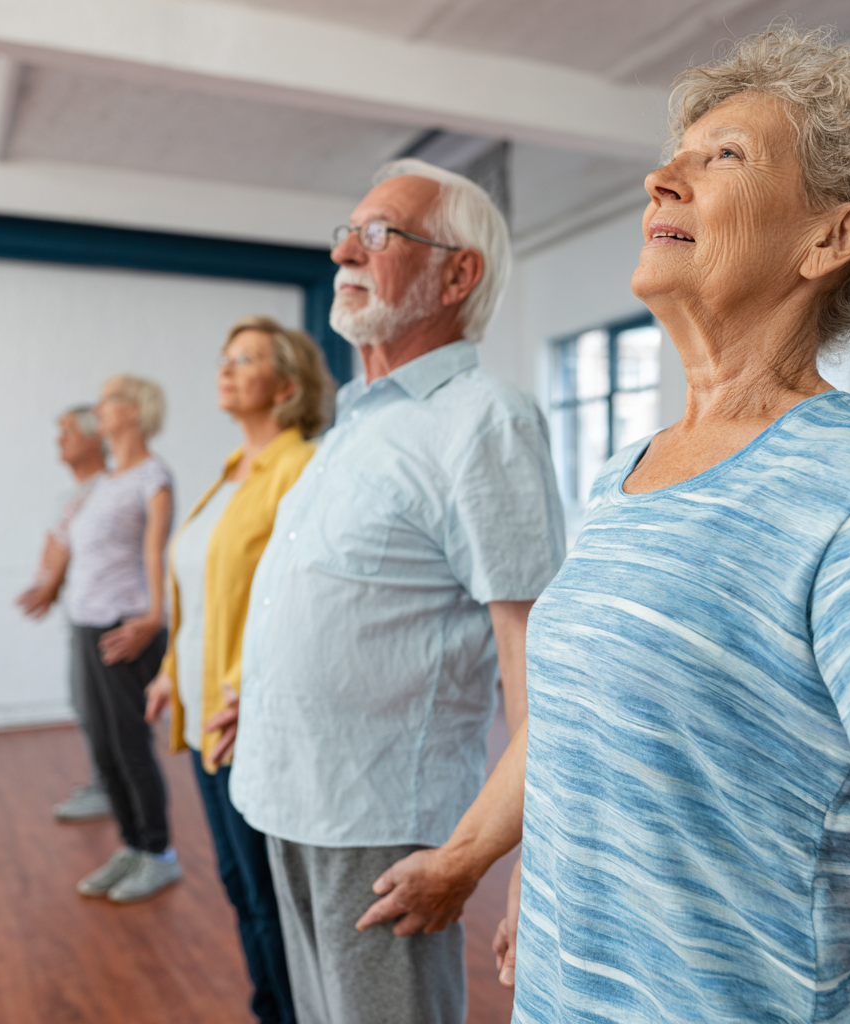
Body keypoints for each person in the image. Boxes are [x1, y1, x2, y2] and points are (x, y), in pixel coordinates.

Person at [355, 27, 850, 1023]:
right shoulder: (628, 471)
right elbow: (576, 710)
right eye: (677, 153)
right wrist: (474, 858)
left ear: (830, 238)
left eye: (725, 156)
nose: (663, 177)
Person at [227, 159, 566, 1024]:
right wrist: (256, 692)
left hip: (377, 820)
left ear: (459, 273)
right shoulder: (356, 419)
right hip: (282, 790)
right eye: (348, 230)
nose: (345, 248)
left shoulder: (485, 417)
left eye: (378, 234)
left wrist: (518, 852)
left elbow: (537, 652)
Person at [144, 316, 331, 1024]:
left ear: (286, 386)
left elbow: (299, 601)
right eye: (224, 358)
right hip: (203, 717)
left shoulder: (301, 467)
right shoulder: (230, 472)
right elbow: (198, 593)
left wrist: (254, 691)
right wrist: (169, 670)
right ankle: (271, 1009)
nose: (225, 369)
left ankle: (287, 1012)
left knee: (266, 896)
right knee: (239, 887)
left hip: (246, 718)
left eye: (245, 360)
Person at [68, 375, 181, 904]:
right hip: (87, 626)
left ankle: (159, 853)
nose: (98, 406)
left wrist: (155, 617)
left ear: (135, 411)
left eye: (108, 398)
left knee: (129, 744)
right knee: (104, 747)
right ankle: (133, 845)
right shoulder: (108, 481)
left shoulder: (152, 477)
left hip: (126, 627)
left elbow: (157, 552)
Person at [16, 406, 109, 820]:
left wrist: (51, 584)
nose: (61, 440)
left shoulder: (108, 490)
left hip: (103, 620)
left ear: (95, 437)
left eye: (69, 432)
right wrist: (46, 585)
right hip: (77, 617)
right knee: (84, 703)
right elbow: (54, 546)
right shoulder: (70, 496)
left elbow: (72, 550)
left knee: (100, 707)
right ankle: (103, 782)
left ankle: (111, 788)